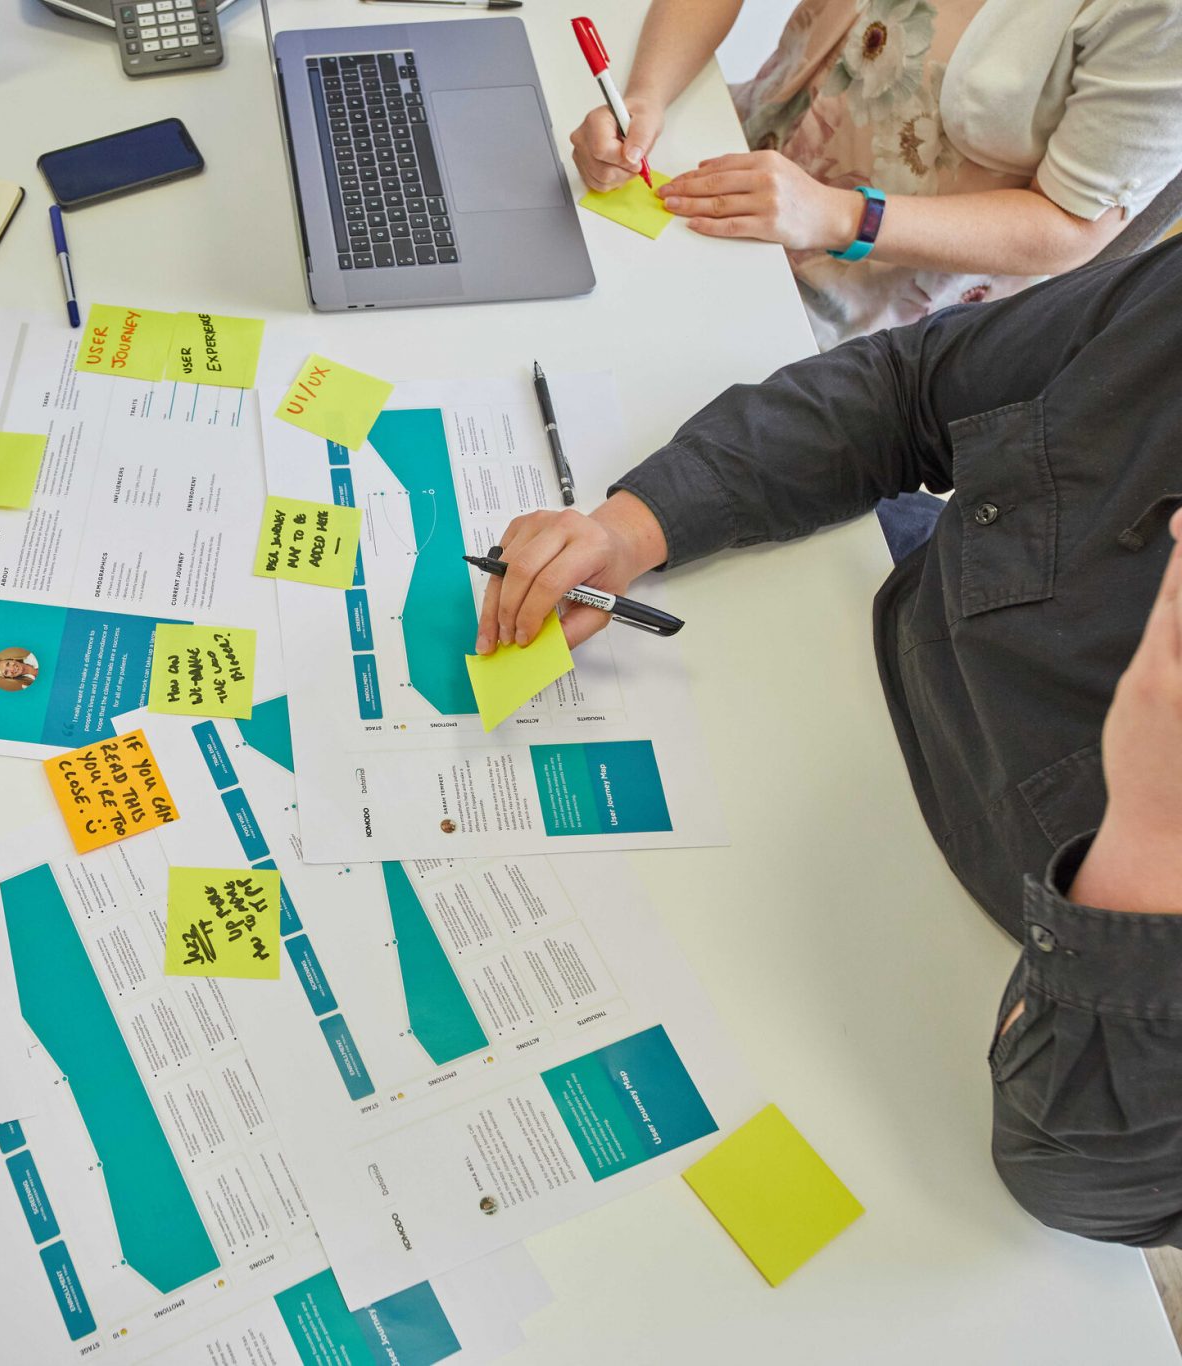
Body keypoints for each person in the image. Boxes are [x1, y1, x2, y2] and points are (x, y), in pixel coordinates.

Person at [474, 237, 1182, 1246]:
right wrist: (634, 525)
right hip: (856, 686)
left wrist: (1153, 838)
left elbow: (1092, 1192)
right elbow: (913, 387)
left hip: (968, 974)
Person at [569, 0, 1182, 346]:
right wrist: (646, 95)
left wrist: (836, 215)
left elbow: (1072, 224)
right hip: (730, 147)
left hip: (866, 308)